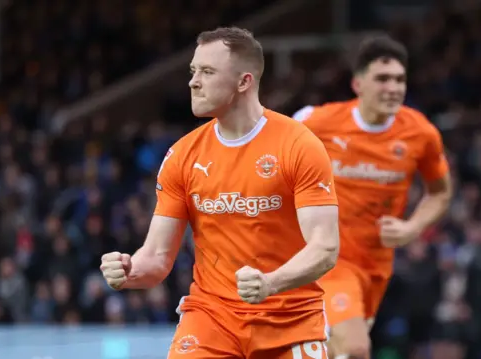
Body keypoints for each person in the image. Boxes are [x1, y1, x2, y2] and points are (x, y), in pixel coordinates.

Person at [100, 27, 340, 359]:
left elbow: (325, 248)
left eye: (207, 72)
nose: (193, 82)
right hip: (212, 320)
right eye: (193, 71)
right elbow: (156, 257)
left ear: (244, 82)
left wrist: (270, 283)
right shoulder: (182, 156)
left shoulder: (299, 145)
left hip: (291, 320)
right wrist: (130, 271)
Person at [292, 35, 453, 359]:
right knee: (355, 349)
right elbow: (268, 155)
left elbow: (440, 192)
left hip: (377, 265)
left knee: (335, 350)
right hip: (327, 255)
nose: (393, 87)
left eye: (399, 79)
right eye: (382, 78)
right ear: (358, 83)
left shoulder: (420, 134)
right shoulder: (318, 122)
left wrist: (412, 228)